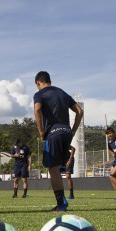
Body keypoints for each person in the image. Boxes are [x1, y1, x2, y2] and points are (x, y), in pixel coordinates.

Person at [33, 71, 83, 212]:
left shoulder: (40, 94)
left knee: (53, 168)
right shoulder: (62, 93)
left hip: (53, 133)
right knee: (59, 169)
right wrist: (72, 130)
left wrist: (41, 131)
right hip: (66, 132)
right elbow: (79, 111)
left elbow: (37, 110)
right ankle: (62, 200)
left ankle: (61, 203)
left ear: (38, 83)